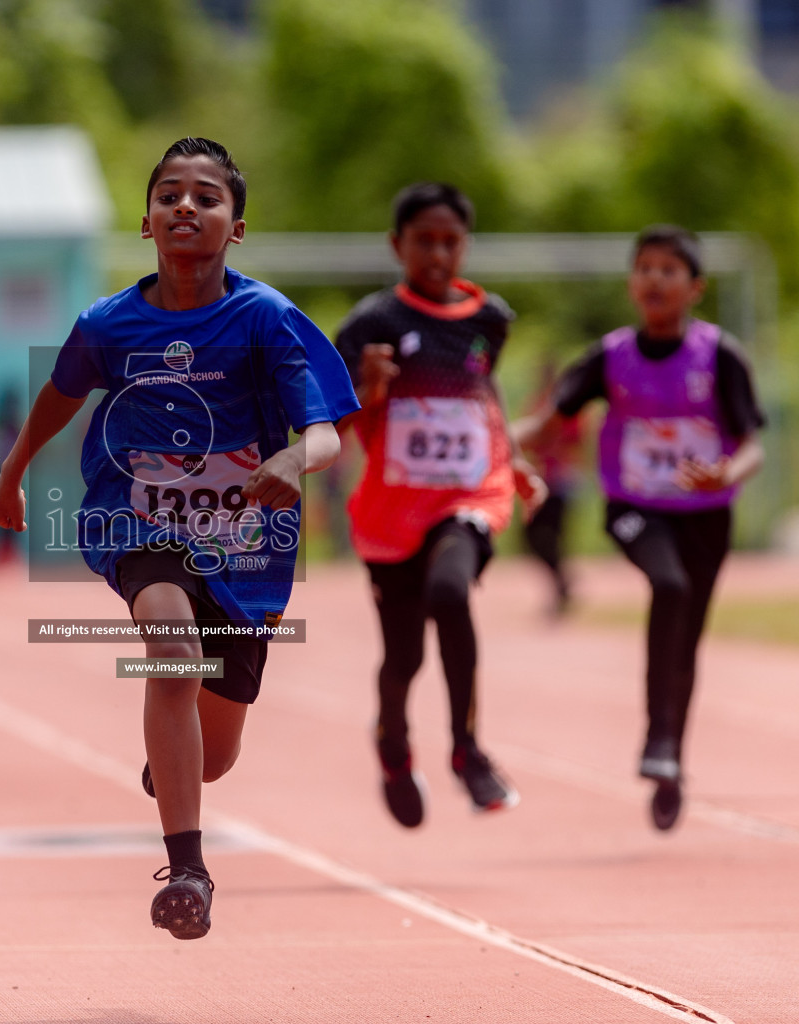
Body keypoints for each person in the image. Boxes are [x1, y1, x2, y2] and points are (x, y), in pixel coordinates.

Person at [0, 138, 358, 940]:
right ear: (148, 221)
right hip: (137, 524)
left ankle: (177, 759)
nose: (186, 207)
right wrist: (12, 472)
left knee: (213, 756)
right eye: (170, 196)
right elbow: (57, 398)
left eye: (207, 197)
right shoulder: (109, 324)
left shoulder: (264, 318)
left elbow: (327, 434)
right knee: (173, 649)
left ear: (238, 227)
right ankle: (188, 868)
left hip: (246, 550)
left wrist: (294, 458)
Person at [515, 225, 765, 831]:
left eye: (668, 270)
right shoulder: (611, 356)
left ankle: (671, 755)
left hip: (707, 514)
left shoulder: (719, 355)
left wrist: (726, 471)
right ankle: (657, 739)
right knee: (669, 587)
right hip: (635, 509)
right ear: (633, 283)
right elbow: (550, 421)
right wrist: (489, 446)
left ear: (695, 287)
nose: (654, 279)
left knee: (688, 638)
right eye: (644, 268)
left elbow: (754, 443)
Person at [334, 182, 545, 829]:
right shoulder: (371, 325)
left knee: (452, 592)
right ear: (398, 245)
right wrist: (366, 393)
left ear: (465, 245)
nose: (437, 253)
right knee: (404, 658)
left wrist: (511, 456)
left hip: (470, 493)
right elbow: (325, 425)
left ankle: (467, 749)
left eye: (450, 240)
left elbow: (483, 393)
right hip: (394, 513)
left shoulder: (491, 319)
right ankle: (393, 744)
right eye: (423, 240)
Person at [520, 360, 586, 618]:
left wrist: (552, 449)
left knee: (556, 537)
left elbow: (576, 443)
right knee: (531, 537)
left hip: (561, 481)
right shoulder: (536, 403)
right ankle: (562, 580)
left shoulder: (566, 406)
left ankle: (560, 588)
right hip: (541, 480)